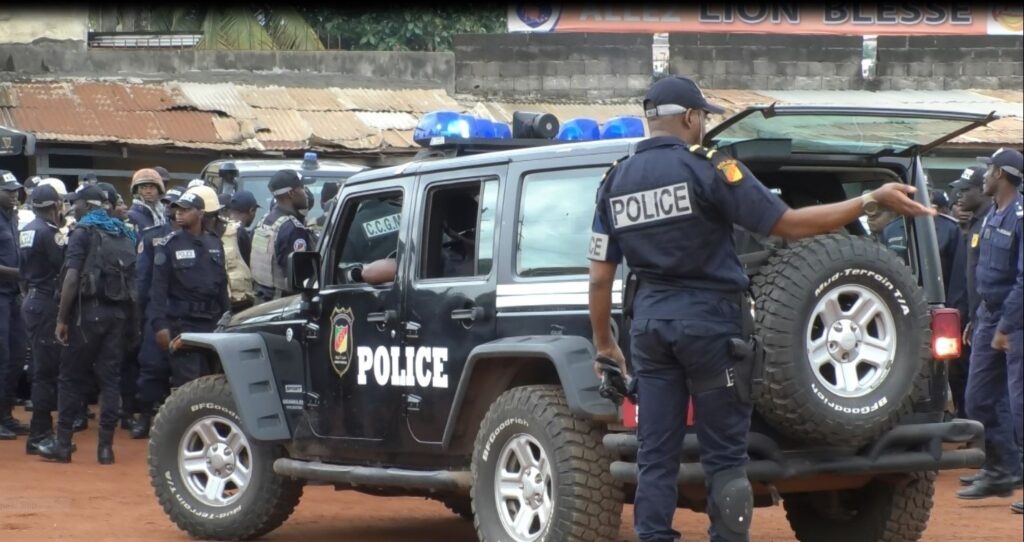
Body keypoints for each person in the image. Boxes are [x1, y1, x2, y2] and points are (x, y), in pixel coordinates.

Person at [586, 76, 936, 542]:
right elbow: (787, 225)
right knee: (725, 457)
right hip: (710, 326)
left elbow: (598, 276)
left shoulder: (615, 180)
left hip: (649, 326)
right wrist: (868, 200)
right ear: (690, 118)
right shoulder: (709, 167)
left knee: (656, 453)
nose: (704, 126)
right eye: (704, 118)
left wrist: (606, 344)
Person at [37, 184, 137, 464]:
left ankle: (63, 444)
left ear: (87, 205)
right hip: (117, 316)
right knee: (110, 382)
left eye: (76, 203)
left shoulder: (82, 232)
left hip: (86, 315)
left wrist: (61, 318)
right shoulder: (123, 232)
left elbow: (71, 278)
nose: (72, 208)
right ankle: (106, 449)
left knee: (70, 378)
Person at [957, 148, 1024, 507]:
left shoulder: (1020, 215)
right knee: (978, 398)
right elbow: (980, 269)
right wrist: (977, 318)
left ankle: (1009, 470)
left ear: (1001, 173)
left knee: (1021, 404)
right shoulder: (989, 216)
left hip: (1016, 319)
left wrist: (1008, 325)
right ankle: (1003, 471)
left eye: (988, 169)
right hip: (987, 315)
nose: (984, 175)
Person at [149, 190, 229, 387]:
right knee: (189, 382)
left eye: (185, 210)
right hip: (183, 323)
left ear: (200, 213)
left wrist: (228, 316)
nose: (179, 213)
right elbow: (158, 289)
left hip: (212, 322)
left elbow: (221, 284)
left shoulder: (214, 242)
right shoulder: (169, 245)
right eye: (178, 210)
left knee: (213, 379)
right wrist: (160, 325)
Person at [130, 187, 182, 439]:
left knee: (184, 369)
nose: (175, 210)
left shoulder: (201, 238)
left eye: (179, 205)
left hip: (186, 314)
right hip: (157, 311)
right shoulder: (152, 237)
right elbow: (142, 280)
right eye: (171, 204)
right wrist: (140, 317)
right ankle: (145, 417)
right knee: (151, 367)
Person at [19, 184, 67, 454]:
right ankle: (40, 434)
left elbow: (23, 271)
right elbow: (63, 267)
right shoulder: (50, 233)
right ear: (55, 206)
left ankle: (38, 433)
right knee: (45, 372)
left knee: (40, 367)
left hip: (32, 299)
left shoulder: (26, 231)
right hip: (47, 301)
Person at [250, 170, 310, 302]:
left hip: (260, 301)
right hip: (280, 304)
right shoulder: (292, 229)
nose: (305, 193)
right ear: (291, 193)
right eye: (302, 188)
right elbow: (299, 279)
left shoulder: (265, 221)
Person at [0, 170, 29, 439]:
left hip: (13, 295)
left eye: (14, 189)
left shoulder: (12, 217)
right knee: (2, 356)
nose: (13, 194)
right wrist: (19, 273)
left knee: (17, 355)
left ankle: (7, 415)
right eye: (7, 190)